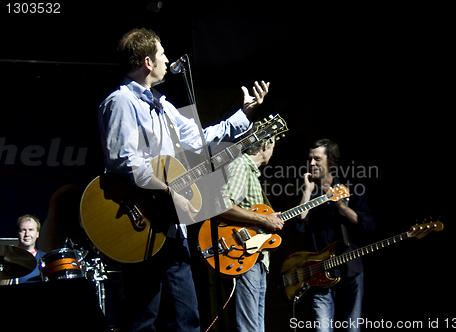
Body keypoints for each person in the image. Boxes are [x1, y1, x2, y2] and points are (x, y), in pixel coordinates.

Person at [98, 27, 270, 332]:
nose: (168, 59)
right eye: (163, 53)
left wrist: (244, 114)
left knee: (187, 318)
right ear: (148, 62)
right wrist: (168, 192)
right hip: (140, 225)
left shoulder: (163, 106)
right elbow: (124, 160)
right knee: (142, 319)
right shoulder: (121, 101)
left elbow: (201, 141)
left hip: (171, 229)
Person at [295, 138, 375, 332]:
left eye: (317, 159)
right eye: (309, 159)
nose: (311, 163)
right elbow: (299, 226)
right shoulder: (308, 192)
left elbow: (368, 226)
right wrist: (307, 192)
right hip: (319, 274)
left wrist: (341, 206)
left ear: (330, 161)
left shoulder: (350, 188)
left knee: (351, 329)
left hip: (350, 270)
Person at [219, 129, 284, 332]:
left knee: (256, 327)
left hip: (256, 257)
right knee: (249, 327)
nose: (273, 151)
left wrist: (268, 219)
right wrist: (263, 219)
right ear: (266, 145)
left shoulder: (251, 173)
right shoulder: (241, 165)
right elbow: (224, 205)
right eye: (273, 146)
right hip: (244, 255)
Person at [15, 214, 45, 283]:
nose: (27, 234)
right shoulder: (7, 258)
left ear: (37, 234)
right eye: (23, 230)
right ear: (17, 234)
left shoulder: (45, 259)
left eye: (31, 230)